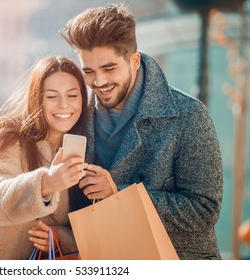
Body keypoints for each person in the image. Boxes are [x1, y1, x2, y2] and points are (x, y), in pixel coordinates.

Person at [57, 3, 223, 259]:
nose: (99, 82)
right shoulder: (75, 114)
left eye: (109, 68)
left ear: (134, 61)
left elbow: (203, 210)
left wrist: (120, 193)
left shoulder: (189, 115)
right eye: (89, 71)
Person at [0, 55, 89, 259]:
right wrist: (47, 183)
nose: (64, 105)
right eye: (52, 96)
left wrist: (60, 238)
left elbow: (85, 228)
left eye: (72, 95)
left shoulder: (83, 148)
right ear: (37, 98)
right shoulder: (9, 137)